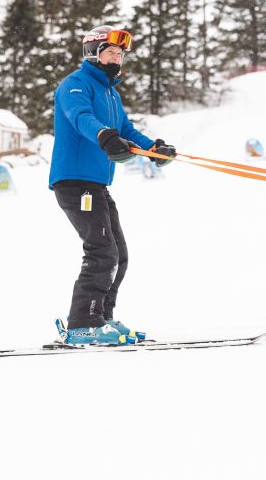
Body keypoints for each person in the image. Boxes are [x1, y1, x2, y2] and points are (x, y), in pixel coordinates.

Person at [49, 25, 177, 345]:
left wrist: (153, 150)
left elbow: (127, 130)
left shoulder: (111, 93)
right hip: (75, 182)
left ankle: (101, 316)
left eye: (119, 54)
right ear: (93, 53)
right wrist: (105, 136)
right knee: (101, 250)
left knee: (118, 253)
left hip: (96, 185)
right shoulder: (75, 85)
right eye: (110, 52)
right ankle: (83, 323)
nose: (116, 58)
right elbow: (81, 118)